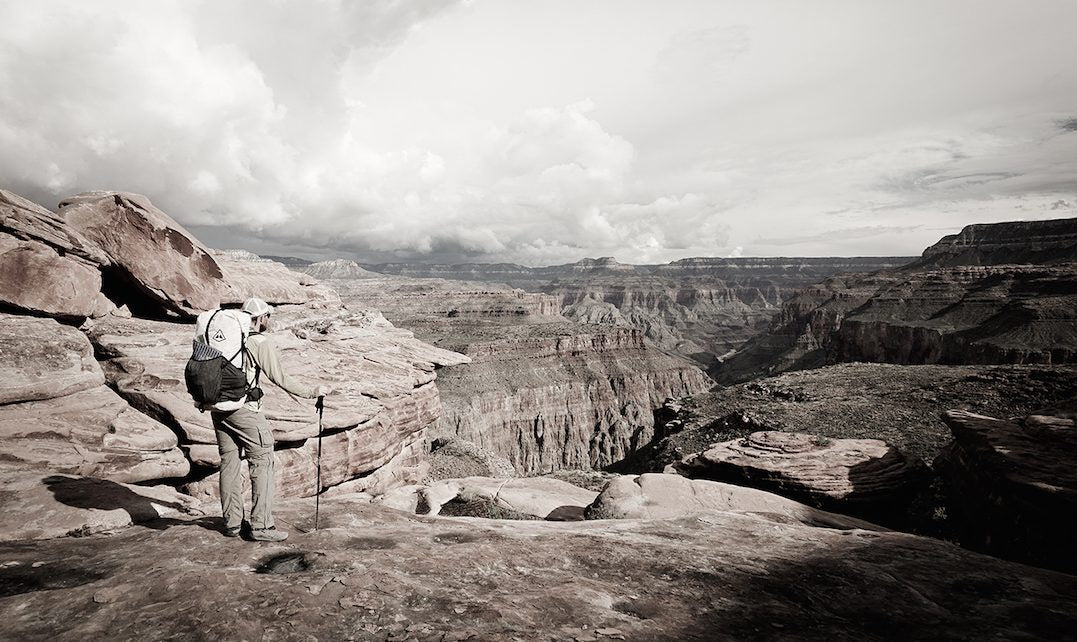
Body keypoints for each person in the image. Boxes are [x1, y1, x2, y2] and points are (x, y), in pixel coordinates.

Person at [209, 297, 329, 542]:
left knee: (229, 464)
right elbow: (280, 377)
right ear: (261, 318)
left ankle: (232, 524)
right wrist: (312, 391)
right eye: (268, 317)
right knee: (262, 462)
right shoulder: (258, 342)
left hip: (218, 408)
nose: (269, 321)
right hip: (245, 410)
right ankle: (262, 526)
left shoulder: (225, 339)